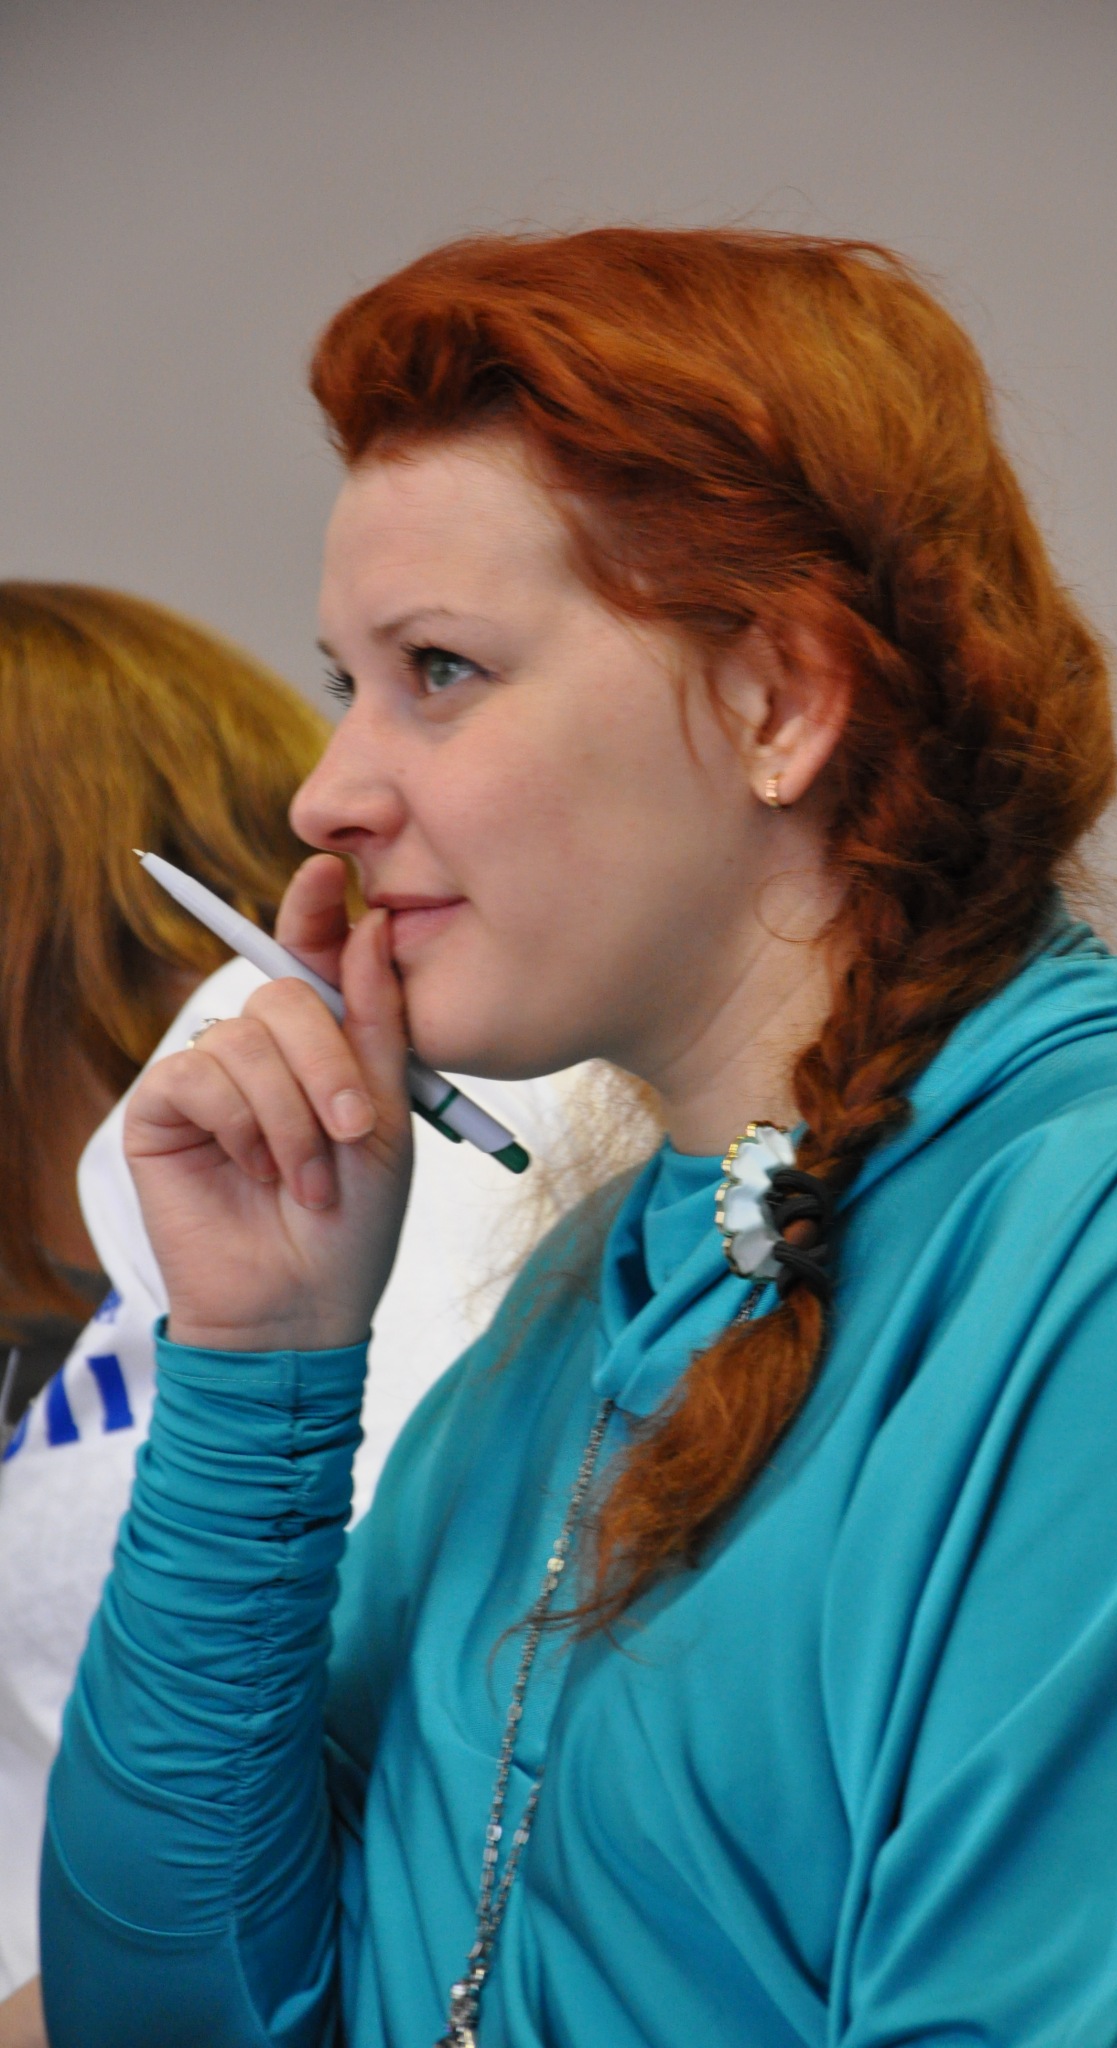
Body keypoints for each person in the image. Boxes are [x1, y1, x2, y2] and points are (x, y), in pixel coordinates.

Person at [39, 230, 1117, 2048]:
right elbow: (161, 2013)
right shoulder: (577, 1303)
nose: (327, 795)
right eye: (348, 685)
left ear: (780, 702)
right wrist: (261, 1357)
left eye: (440, 670)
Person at [0, 585, 582, 2029]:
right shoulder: (104, 1262)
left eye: (437, 669)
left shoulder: (324, 1132)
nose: (336, 793)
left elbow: (436, 1796)